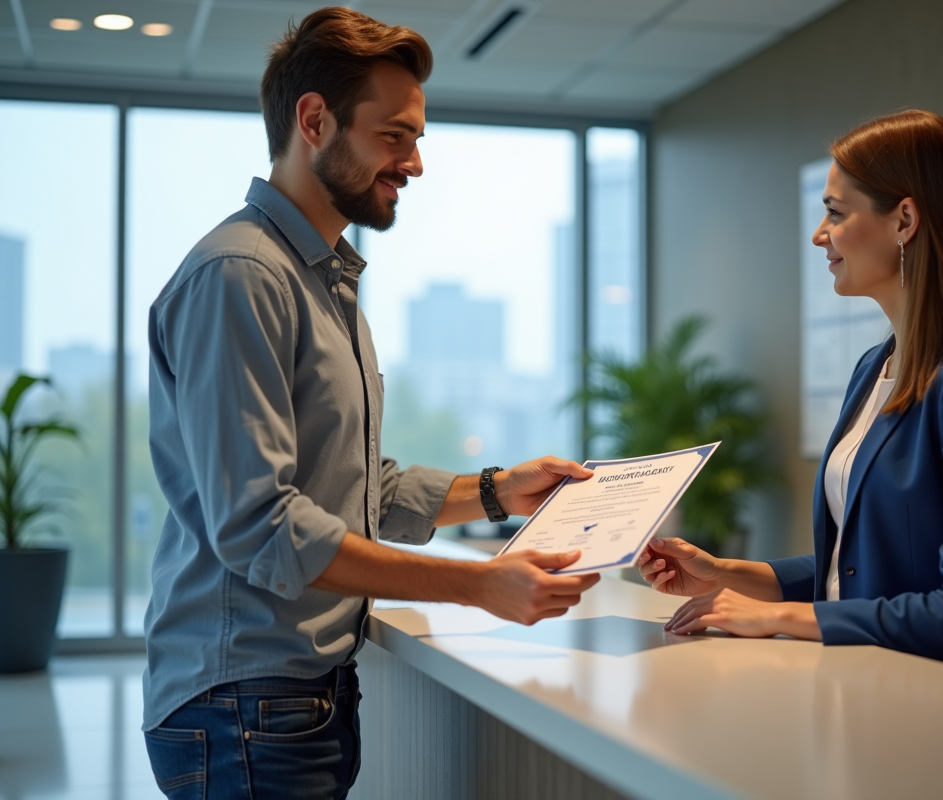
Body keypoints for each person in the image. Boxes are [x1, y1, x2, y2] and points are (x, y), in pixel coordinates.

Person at [140, 8, 599, 798]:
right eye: (395, 136)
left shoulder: (326, 280)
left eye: (416, 138)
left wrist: (495, 491)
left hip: (292, 704)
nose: (414, 162)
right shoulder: (243, 276)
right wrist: (476, 584)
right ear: (314, 121)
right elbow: (263, 525)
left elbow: (354, 487)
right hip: (244, 707)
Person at [639, 109, 943, 679]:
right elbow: (857, 570)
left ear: (905, 219)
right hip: (863, 688)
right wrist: (728, 573)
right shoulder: (873, 368)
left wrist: (781, 616)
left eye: (835, 213)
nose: (819, 234)